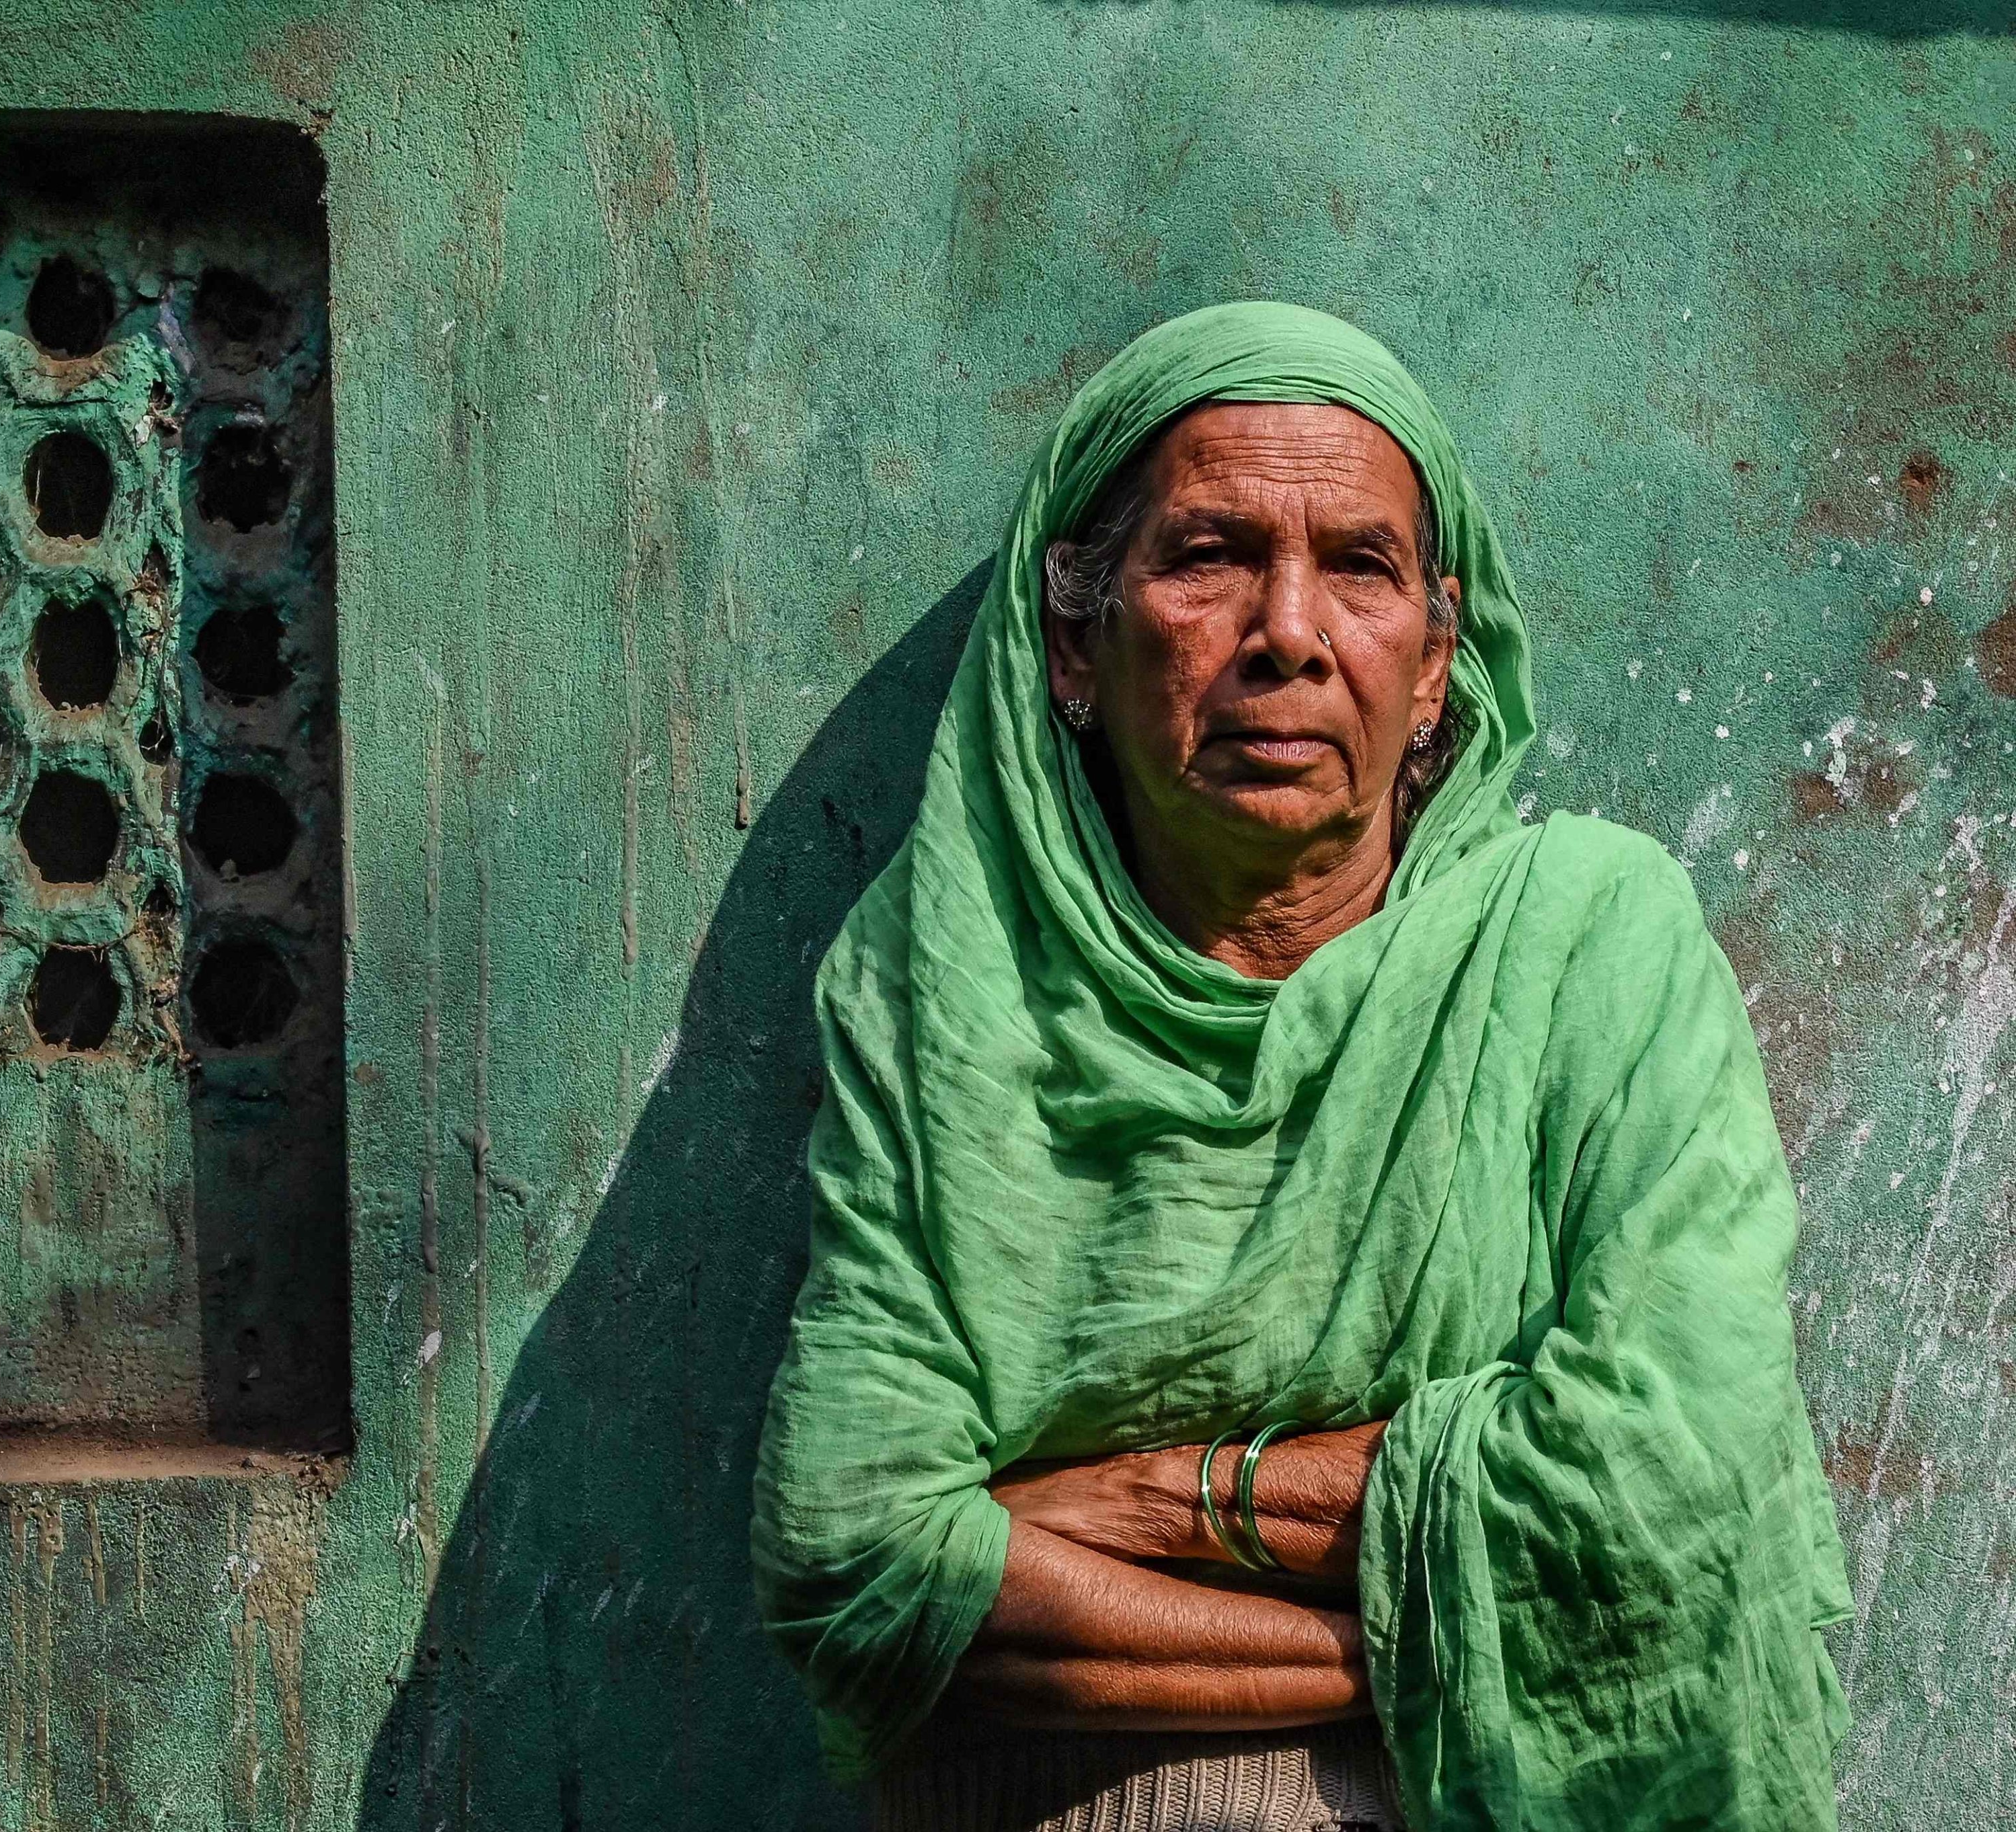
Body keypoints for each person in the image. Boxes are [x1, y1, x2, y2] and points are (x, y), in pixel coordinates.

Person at [750, 303, 1851, 1832]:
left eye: (1358, 565)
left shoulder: (1587, 940)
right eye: (1205, 556)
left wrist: (1140, 1503)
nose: (1286, 630)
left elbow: (1664, 1480)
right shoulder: (946, 985)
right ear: (1075, 640)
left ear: (1433, 659)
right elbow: (851, 1551)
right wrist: (1447, 1634)